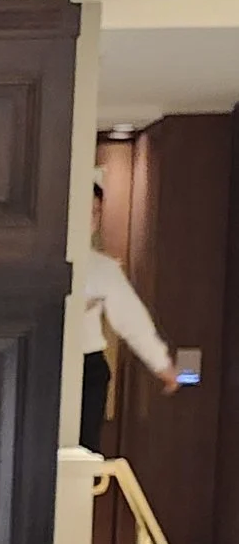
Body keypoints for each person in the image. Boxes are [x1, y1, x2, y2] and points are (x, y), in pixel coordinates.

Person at [77, 173, 183, 452]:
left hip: (87, 368)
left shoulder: (102, 268)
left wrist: (162, 365)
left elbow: (131, 318)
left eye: (95, 212)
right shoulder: (38, 260)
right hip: (39, 363)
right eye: (83, 210)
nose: (89, 219)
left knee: (83, 453)